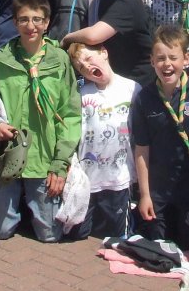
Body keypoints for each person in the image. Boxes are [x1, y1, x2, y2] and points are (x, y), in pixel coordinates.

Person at [0, 0, 81, 242]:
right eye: (23, 20)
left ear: (47, 23)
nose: (30, 26)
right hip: (11, 156)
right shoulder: (1, 61)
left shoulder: (60, 61)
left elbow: (71, 114)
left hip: (44, 157)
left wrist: (60, 165)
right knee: (1, 232)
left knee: (50, 235)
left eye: (37, 19)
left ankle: (27, 202)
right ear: (14, 23)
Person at [132, 25, 189, 253]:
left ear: (186, 59)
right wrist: (145, 195)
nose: (167, 64)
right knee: (160, 248)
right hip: (159, 192)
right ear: (151, 61)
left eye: (173, 58)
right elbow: (141, 150)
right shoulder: (144, 98)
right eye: (160, 58)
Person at [65, 42, 141, 239]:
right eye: (81, 67)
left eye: (89, 59)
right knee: (76, 233)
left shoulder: (132, 89)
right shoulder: (82, 95)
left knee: (120, 236)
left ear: (104, 53)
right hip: (88, 179)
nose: (88, 67)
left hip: (120, 178)